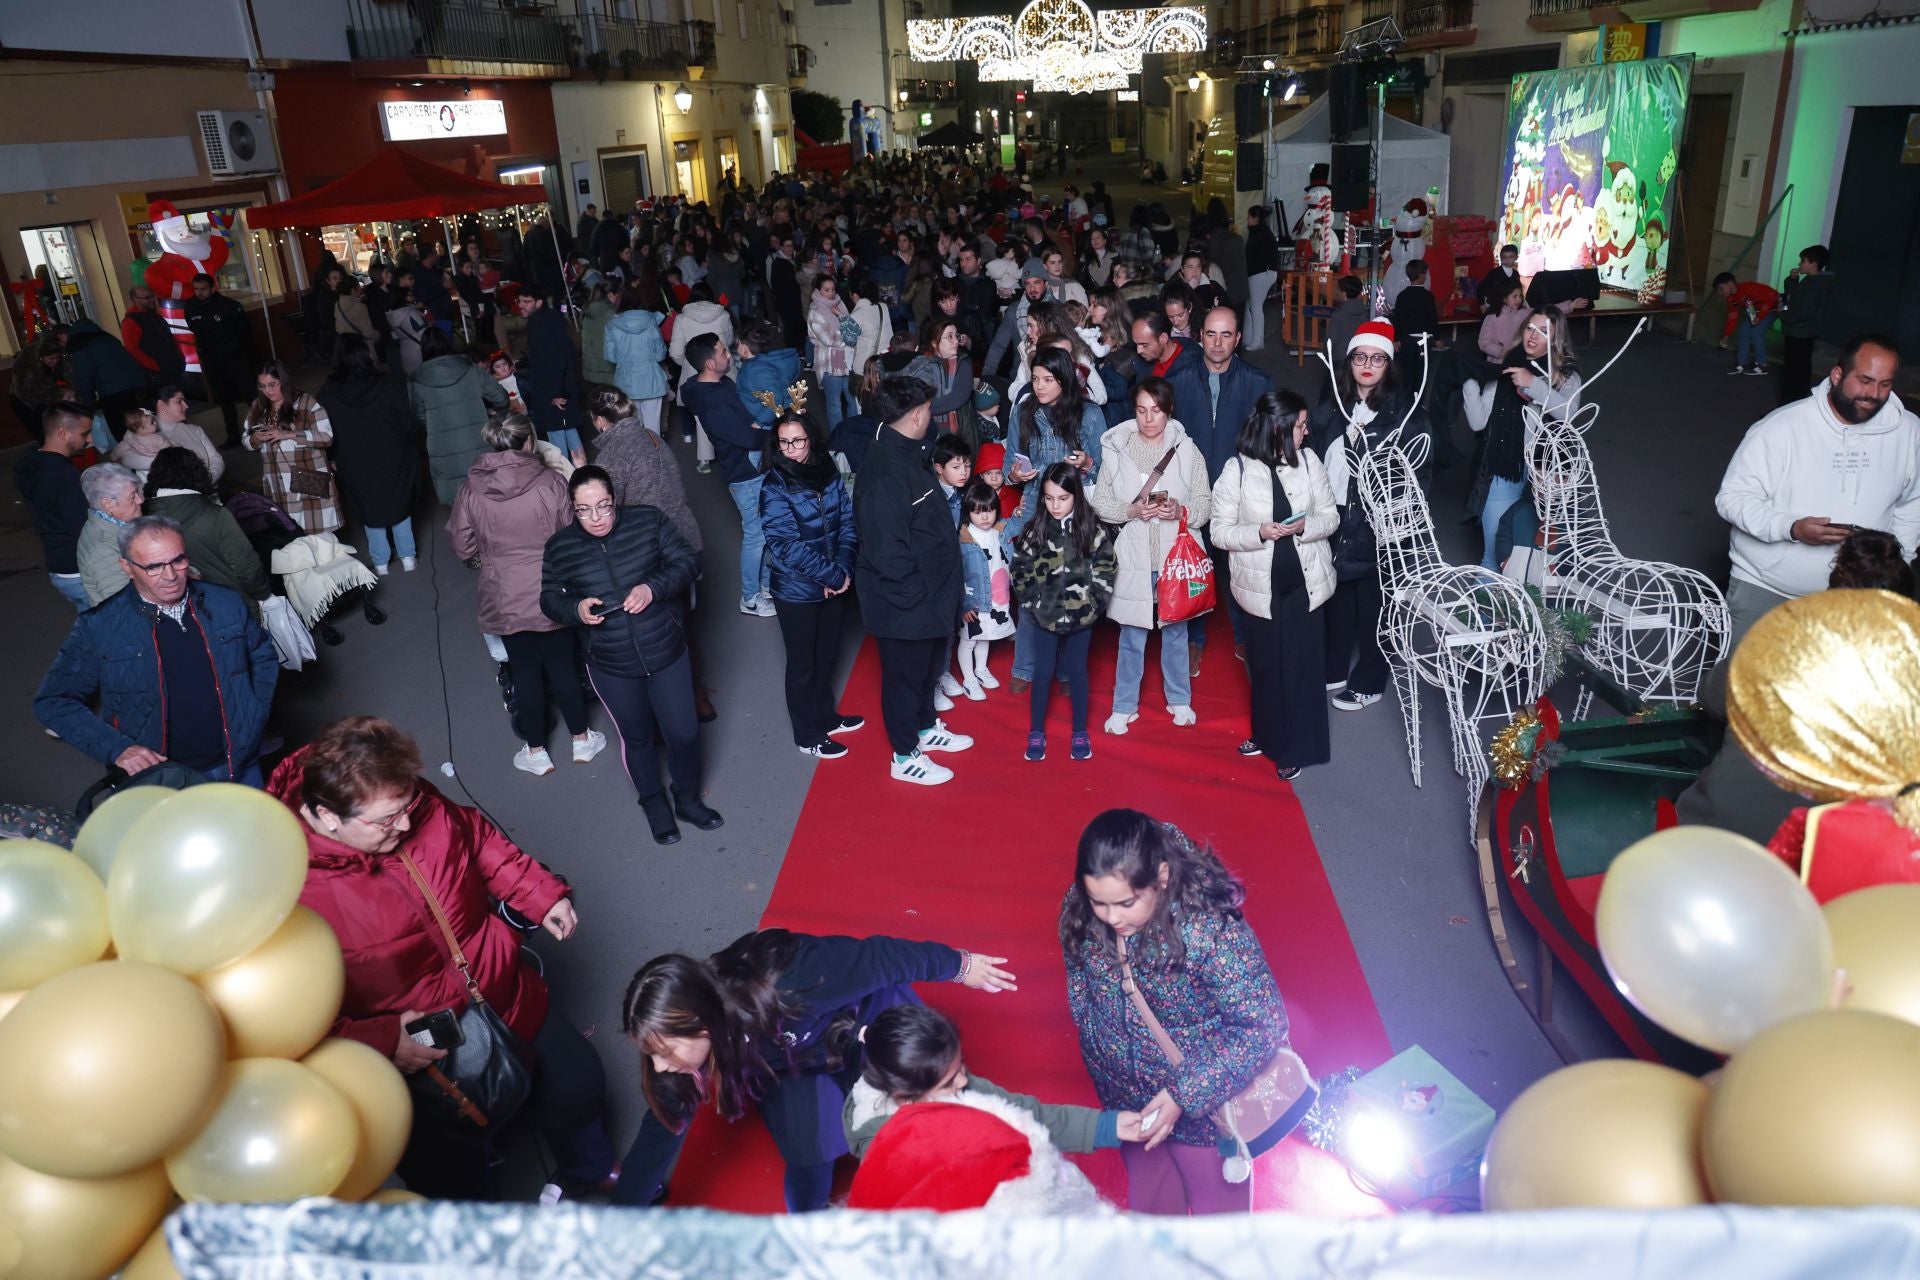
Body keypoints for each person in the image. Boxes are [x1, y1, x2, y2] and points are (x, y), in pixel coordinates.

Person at [270, 715, 612, 1201]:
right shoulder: (283, 885)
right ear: (328, 817)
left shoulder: (403, 798)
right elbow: (284, 1016)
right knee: (454, 1179)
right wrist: (384, 1040)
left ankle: (588, 1170)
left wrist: (538, 893)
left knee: (577, 1085)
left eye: (408, 805)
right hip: (422, 1050)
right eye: (388, 820)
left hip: (499, 987)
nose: (407, 823)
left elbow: (471, 837)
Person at [611, 927, 1019, 1212]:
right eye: (650, 1054)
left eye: (664, 1051)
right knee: (808, 1148)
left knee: (930, 1100)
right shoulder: (680, 1061)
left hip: (865, 1020)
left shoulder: (789, 981)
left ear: (700, 1023)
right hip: (798, 1060)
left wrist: (961, 966)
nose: (659, 1066)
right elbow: (658, 1132)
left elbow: (883, 958)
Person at [1060, 808, 1292, 1215]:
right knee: (1151, 1207)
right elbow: (1079, 976)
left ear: (1162, 877)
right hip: (1127, 1099)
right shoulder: (1083, 904)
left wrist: (1184, 1094)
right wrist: (1097, 1040)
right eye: (1099, 902)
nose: (1112, 917)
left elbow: (1263, 1025)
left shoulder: (1207, 929)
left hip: (1202, 1110)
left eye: (1127, 903)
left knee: (1218, 1223)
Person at [540, 465, 714, 844]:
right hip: (611, 661)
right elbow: (549, 599)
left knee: (683, 733)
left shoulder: (648, 521)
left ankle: (686, 799)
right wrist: (575, 610)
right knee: (636, 738)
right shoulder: (560, 548)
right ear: (572, 508)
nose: (597, 518)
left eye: (604, 505)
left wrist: (653, 588)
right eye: (585, 510)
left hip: (665, 647)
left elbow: (687, 562)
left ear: (615, 499)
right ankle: (653, 803)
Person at [35, 515, 277, 784]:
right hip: (162, 779)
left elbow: (261, 654)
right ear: (126, 567)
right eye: (154, 567)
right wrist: (117, 749)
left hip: (240, 764)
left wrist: (255, 713)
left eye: (178, 560)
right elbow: (54, 701)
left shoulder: (225, 602)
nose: (171, 575)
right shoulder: (100, 626)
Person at [1714, 333, 1920, 644]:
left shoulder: (1909, 432)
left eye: (1885, 384)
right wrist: (1791, 528)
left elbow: (1912, 505)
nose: (1874, 394)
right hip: (1767, 587)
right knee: (1743, 686)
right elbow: (1732, 499)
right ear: (1837, 375)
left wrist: (1895, 568)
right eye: (1864, 380)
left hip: (1855, 595)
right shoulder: (1781, 427)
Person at [449, 415, 604, 777]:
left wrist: (485, 562)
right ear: (530, 443)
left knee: (524, 672)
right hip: (552, 588)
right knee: (564, 664)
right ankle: (582, 740)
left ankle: (536, 752)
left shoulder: (470, 489)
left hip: (503, 594)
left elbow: (461, 544)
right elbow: (572, 537)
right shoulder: (551, 482)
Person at [854, 374, 973, 786]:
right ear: (919, 414)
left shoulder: (908, 451)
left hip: (929, 598)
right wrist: (918, 598)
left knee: (925, 674)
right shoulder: (884, 472)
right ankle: (904, 756)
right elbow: (887, 551)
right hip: (906, 603)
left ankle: (925, 728)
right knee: (904, 680)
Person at [1212, 391, 1338, 780]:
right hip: (1257, 587)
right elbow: (1219, 532)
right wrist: (1260, 532)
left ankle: (1295, 747)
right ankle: (1267, 736)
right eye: (1300, 425)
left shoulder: (1310, 461)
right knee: (1265, 666)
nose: (1306, 431)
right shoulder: (1236, 469)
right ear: (1279, 428)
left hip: (1305, 583)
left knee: (1300, 667)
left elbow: (1331, 516)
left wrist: (1306, 526)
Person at [1307, 319, 1432, 711]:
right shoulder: (1330, 410)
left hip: (1381, 521)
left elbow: (1419, 479)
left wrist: (1396, 526)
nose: (1367, 364)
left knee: (1375, 604)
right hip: (1337, 514)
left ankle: (1371, 679)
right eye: (1361, 356)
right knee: (1338, 593)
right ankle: (1335, 666)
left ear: (1388, 365)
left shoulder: (1406, 418)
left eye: (1377, 358)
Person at [842, 1002, 1139, 1166]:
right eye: (949, 1082)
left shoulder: (961, 1087)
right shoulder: (887, 1153)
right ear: (905, 1100)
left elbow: (1027, 1118)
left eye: (961, 1065)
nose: (963, 1079)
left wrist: (1106, 1126)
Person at [1091, 378, 1210, 735]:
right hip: (1134, 555)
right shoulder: (1116, 450)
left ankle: (1179, 700)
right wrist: (1131, 510)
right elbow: (1100, 503)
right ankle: (1124, 705)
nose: (1148, 419)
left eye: (1156, 411)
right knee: (1132, 635)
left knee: (1176, 631)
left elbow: (1205, 505)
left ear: (1168, 411)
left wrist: (1179, 510)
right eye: (1142, 410)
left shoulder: (1188, 450)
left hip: (1176, 554)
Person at [760, 412, 863, 759]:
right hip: (796, 591)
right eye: (784, 442)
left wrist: (844, 569)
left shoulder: (828, 471)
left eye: (798, 440)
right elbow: (785, 545)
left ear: (811, 439)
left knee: (826, 655)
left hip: (834, 581)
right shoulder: (774, 485)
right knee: (802, 663)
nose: (791, 449)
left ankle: (826, 716)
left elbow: (847, 521)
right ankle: (808, 734)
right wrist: (833, 576)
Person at [1012, 463, 1117, 763]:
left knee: (1078, 673)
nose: (1055, 505)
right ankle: (1036, 731)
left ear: (1076, 497)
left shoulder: (1091, 528)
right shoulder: (1036, 528)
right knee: (1042, 673)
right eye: (1048, 498)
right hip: (1044, 618)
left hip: (1081, 618)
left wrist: (1094, 605)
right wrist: (1033, 604)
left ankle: (1080, 731)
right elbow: (1020, 569)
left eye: (1062, 498)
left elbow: (1107, 567)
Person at [679, 333, 775, 616]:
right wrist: (776, 434)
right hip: (744, 473)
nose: (728, 354)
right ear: (710, 363)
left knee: (768, 530)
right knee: (756, 535)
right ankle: (750, 597)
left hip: (752, 466)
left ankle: (767, 587)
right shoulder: (713, 402)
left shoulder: (718, 385)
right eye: (722, 352)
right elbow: (746, 437)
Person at [318, 334, 422, 574]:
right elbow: (407, 421)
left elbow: (325, 430)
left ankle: (381, 561)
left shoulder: (327, 392)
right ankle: (408, 557)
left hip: (353, 459)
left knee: (368, 506)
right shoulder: (388, 383)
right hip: (392, 452)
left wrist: (333, 456)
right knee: (398, 500)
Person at [142, 448, 270, 604]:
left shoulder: (145, 520)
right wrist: (263, 594)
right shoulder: (216, 516)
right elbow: (247, 568)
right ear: (197, 474)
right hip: (233, 604)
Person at [411, 327, 510, 506]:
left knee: (460, 508)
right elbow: (502, 398)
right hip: (480, 443)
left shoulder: (417, 382)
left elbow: (420, 418)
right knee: (490, 503)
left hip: (443, 450)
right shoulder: (472, 370)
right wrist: (492, 414)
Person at [16, 401, 94, 609]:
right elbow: (84, 530)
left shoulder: (32, 464)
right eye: (84, 434)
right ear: (63, 433)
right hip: (80, 570)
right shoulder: (65, 477)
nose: (90, 439)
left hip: (58, 566)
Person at [247, 361, 339, 535]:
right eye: (262, 386)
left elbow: (327, 436)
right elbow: (246, 441)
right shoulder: (258, 406)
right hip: (277, 484)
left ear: (284, 381)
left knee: (320, 538)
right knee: (293, 537)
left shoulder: (306, 402)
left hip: (308, 479)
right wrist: (255, 438)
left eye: (272, 385)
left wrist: (288, 434)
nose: (268, 391)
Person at [957, 478, 1016, 698]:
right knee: (968, 640)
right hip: (974, 600)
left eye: (989, 511)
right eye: (978, 511)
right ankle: (969, 678)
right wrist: (964, 604)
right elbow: (958, 574)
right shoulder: (965, 539)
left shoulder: (999, 531)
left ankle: (980, 669)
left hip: (996, 598)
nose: (984, 517)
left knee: (986, 636)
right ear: (968, 512)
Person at [183, 272, 252, 447]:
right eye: (196, 289)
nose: (199, 293)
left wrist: (237, 352)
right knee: (224, 400)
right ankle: (233, 436)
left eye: (203, 289)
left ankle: (265, 430)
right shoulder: (191, 306)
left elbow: (245, 333)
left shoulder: (229, 306)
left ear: (213, 288)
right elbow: (194, 328)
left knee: (250, 396)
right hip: (213, 361)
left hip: (235, 359)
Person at [516, 290, 584, 466]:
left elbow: (553, 362)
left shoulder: (540, 325)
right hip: (562, 390)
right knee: (568, 431)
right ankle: (581, 473)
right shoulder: (551, 322)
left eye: (526, 300)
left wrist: (553, 395)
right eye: (519, 301)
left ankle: (564, 481)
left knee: (559, 440)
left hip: (554, 394)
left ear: (538, 303)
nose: (521, 305)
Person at [603, 286, 670, 437]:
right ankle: (656, 459)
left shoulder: (612, 325)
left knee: (633, 429)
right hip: (651, 379)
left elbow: (611, 357)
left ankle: (639, 459)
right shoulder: (651, 321)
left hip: (626, 382)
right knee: (653, 429)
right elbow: (660, 355)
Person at [77, 461, 141, 606]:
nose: (140, 500)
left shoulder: (117, 523)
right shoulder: (103, 551)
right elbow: (125, 606)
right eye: (132, 496)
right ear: (108, 504)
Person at [1779, 244, 1833, 405]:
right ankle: (1794, 404)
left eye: (1802, 261)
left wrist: (1781, 313)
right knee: (1800, 370)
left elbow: (1800, 312)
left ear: (1813, 263)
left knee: (1793, 372)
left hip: (1799, 333)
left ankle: (1787, 407)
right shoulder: (1812, 282)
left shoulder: (1812, 285)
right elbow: (1794, 298)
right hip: (1804, 333)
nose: (1799, 264)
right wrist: (1792, 281)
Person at [808, 275, 858, 429]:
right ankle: (838, 440)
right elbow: (830, 340)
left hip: (848, 359)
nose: (831, 293)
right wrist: (849, 337)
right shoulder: (815, 312)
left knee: (852, 400)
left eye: (833, 289)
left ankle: (854, 432)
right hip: (830, 362)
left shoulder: (840, 304)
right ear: (818, 291)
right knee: (835, 404)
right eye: (826, 290)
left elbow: (853, 327)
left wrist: (842, 318)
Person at [147, 384, 226, 482]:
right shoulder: (147, 441)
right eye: (179, 401)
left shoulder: (195, 430)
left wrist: (208, 479)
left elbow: (216, 458)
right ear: (161, 405)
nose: (186, 406)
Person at [1716, 271, 1780, 376]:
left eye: (1721, 288)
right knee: (1744, 332)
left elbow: (1772, 296)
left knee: (1756, 333)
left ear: (1730, 283)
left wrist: (1760, 317)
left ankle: (1762, 365)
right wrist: (1726, 335)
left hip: (1773, 308)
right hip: (1754, 310)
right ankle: (1741, 363)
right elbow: (1733, 316)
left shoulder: (1748, 287)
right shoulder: (1731, 298)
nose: (1720, 292)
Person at [121, 284, 186, 387]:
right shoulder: (131, 322)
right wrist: (155, 366)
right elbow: (132, 350)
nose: (151, 300)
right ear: (135, 299)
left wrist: (180, 358)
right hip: (158, 373)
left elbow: (170, 338)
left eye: (152, 296)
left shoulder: (155, 316)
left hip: (172, 368)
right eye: (147, 298)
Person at [1242, 205, 1280, 354]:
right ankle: (1250, 338)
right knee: (1251, 306)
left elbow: (1251, 257)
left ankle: (1257, 340)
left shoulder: (1257, 234)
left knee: (1255, 307)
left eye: (1249, 217)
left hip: (1260, 273)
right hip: (1266, 273)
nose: (1247, 219)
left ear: (1255, 218)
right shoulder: (1264, 232)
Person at [387, 285, 430, 376]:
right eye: (409, 295)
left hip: (405, 351)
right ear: (402, 298)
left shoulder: (391, 316)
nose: (413, 296)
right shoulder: (411, 312)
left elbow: (394, 336)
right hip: (419, 350)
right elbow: (423, 332)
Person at [1475, 244, 1522, 313]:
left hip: (1510, 309)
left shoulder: (1515, 274)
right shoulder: (1494, 273)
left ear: (1516, 258)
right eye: (1504, 257)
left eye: (1511, 257)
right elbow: (1481, 288)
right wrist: (1481, 305)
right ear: (1500, 257)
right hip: (1494, 308)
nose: (1507, 260)